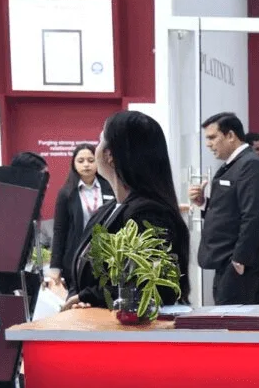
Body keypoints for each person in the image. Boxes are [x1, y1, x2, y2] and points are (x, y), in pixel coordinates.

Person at [61, 111, 191, 311]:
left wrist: (89, 297)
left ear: (110, 155)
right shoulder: (109, 209)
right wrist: (79, 297)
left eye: (100, 140)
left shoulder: (149, 214)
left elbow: (151, 285)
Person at [189, 112, 259, 305]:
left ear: (230, 135)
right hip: (227, 263)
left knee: (233, 320)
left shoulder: (251, 164)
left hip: (239, 266)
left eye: (212, 137)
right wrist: (203, 202)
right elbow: (229, 212)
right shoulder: (233, 165)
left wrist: (239, 260)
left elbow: (254, 216)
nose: (208, 144)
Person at [48, 144, 116, 289]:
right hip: (76, 257)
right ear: (74, 164)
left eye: (91, 160)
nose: (86, 165)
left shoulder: (111, 188)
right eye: (81, 161)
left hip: (107, 257)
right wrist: (55, 266)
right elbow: (60, 230)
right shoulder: (66, 193)